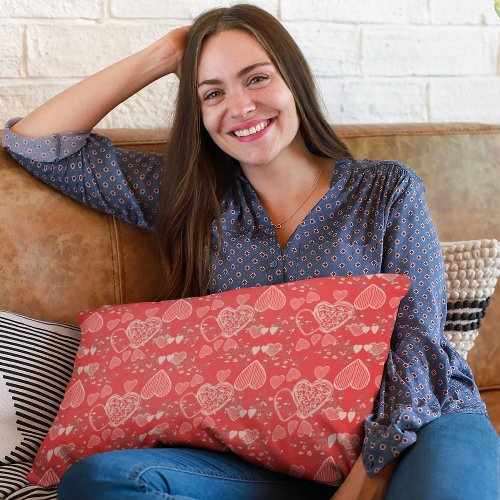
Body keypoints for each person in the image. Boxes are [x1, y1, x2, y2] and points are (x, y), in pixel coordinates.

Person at [3, 4, 499, 500]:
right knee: (102, 481)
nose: (239, 107)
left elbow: (419, 348)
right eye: (213, 93)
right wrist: (165, 54)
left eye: (256, 79)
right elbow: (36, 143)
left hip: (419, 426)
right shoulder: (190, 198)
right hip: (268, 456)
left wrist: (366, 478)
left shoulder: (386, 190)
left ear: (293, 82)